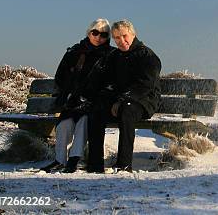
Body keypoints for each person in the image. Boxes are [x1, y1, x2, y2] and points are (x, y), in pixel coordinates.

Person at [85, 20, 161, 173]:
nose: (122, 41)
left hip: (143, 101)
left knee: (126, 111)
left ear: (133, 34)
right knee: (96, 111)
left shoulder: (147, 55)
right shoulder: (115, 56)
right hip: (119, 101)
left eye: (124, 36)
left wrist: (122, 100)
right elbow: (107, 81)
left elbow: (145, 85)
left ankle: (124, 165)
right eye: (117, 38)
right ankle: (95, 164)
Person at [40, 19, 114, 173]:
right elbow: (60, 75)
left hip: (93, 102)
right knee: (64, 125)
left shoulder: (111, 55)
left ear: (108, 37)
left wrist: (94, 96)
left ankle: (73, 160)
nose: (98, 37)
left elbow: (111, 82)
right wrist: (69, 91)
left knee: (84, 122)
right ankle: (59, 160)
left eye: (104, 34)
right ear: (89, 32)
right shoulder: (75, 51)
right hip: (72, 100)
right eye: (95, 33)